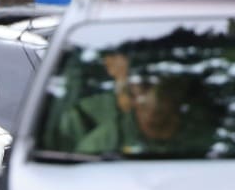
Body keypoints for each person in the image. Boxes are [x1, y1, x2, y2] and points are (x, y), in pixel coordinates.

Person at [73, 53, 207, 156]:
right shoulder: (100, 145)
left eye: (163, 88)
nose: (153, 98)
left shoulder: (206, 139)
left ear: (178, 93)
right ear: (131, 91)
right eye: (145, 86)